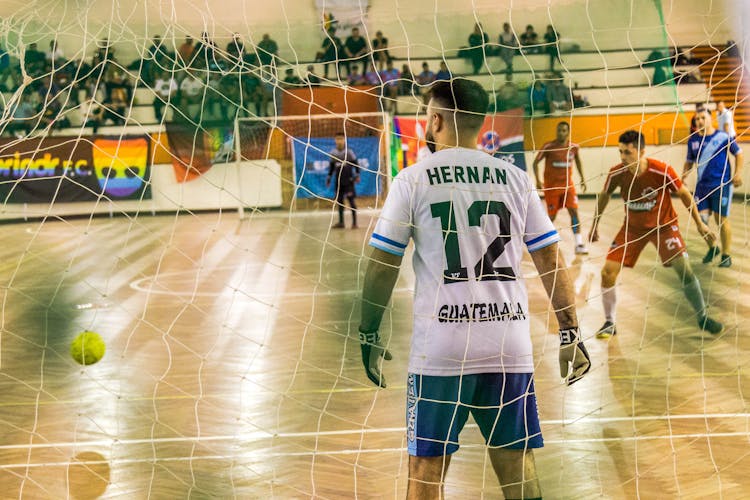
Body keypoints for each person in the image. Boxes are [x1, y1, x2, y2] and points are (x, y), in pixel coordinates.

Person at [357, 78, 590, 499]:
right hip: (508, 343)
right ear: (481, 124)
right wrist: (571, 332)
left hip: (442, 348)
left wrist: (369, 330)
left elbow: (382, 262)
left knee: (425, 471)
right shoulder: (514, 178)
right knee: (518, 468)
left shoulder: (413, 180)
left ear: (435, 120)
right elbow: (551, 259)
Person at [589, 130, 723, 338]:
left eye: (628, 153)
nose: (623, 158)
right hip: (632, 229)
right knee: (607, 272)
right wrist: (594, 225)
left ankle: (702, 316)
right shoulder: (616, 173)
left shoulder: (661, 170)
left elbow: (684, 194)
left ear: (642, 152)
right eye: (620, 152)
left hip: (664, 226)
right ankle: (609, 322)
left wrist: (699, 224)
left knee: (684, 269)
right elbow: (604, 196)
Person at [683, 107, 743, 268]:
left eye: (703, 118)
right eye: (697, 119)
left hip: (721, 185)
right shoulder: (693, 140)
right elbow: (689, 161)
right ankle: (713, 247)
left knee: (721, 220)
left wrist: (737, 174)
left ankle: (726, 254)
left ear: (711, 119)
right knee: (700, 221)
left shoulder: (723, 137)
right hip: (702, 187)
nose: (700, 121)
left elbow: (739, 153)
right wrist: (683, 176)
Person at [533, 122, 588, 254]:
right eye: (559, 130)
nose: (561, 133)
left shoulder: (574, 147)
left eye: (564, 130)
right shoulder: (549, 146)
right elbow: (535, 163)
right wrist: (537, 180)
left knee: (574, 212)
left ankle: (579, 244)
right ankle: (543, 243)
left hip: (568, 187)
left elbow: (578, 161)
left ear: (568, 132)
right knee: (551, 217)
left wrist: (582, 178)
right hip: (552, 188)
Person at [326, 132, 360, 229]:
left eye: (341, 139)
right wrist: (328, 178)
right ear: (335, 140)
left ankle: (354, 223)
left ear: (344, 140)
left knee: (351, 201)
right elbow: (332, 167)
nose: (339, 141)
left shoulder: (349, 152)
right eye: (337, 139)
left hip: (348, 181)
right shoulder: (333, 153)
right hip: (338, 181)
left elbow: (356, 163)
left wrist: (357, 175)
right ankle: (341, 223)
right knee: (340, 202)